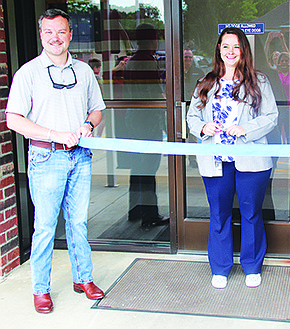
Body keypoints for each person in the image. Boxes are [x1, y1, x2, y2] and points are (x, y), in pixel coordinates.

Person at [5, 9, 106, 314]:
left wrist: (88, 125)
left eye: (61, 32)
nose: (55, 38)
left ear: (70, 34)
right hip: (46, 157)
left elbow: (97, 110)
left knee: (78, 222)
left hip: (80, 157)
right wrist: (55, 134)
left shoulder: (85, 71)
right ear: (41, 35)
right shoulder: (28, 73)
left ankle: (83, 279)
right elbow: (14, 120)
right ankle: (40, 289)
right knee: (46, 226)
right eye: (48, 32)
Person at [187, 27, 278, 289]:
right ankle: (220, 268)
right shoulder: (205, 83)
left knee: (251, 214)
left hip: (250, 159)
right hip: (215, 160)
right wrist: (203, 128)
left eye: (236, 47)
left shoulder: (258, 81)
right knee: (219, 215)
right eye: (225, 46)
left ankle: (251, 266)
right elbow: (192, 118)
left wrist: (246, 129)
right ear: (218, 49)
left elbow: (271, 117)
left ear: (243, 50)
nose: (230, 52)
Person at [121, 23, 169, 227]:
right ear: (151, 40)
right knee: (149, 169)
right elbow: (155, 93)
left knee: (138, 168)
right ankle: (150, 216)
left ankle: (135, 210)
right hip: (148, 122)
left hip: (133, 120)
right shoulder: (147, 61)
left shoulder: (131, 61)